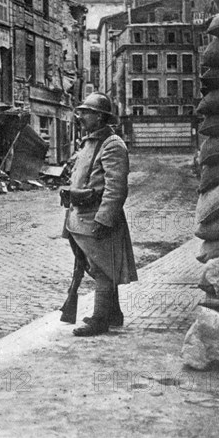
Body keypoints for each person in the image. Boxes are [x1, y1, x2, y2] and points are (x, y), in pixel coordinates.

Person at [63, 93, 138, 336]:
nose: (81, 116)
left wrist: (104, 219)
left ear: (99, 117)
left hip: (96, 218)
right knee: (95, 265)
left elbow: (116, 187)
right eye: (81, 111)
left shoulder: (113, 144)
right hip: (80, 216)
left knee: (102, 269)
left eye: (86, 112)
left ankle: (100, 320)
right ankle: (113, 313)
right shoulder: (89, 142)